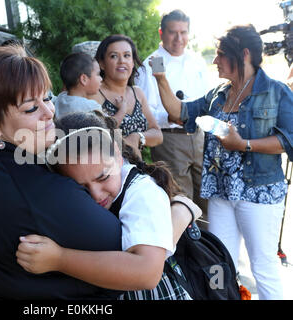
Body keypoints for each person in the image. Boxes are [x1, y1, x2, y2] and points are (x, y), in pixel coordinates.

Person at [0, 45, 200, 299]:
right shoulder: (37, 188)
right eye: (30, 108)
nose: (49, 113)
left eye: (47, 98)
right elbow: (141, 262)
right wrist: (180, 213)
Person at [152, 24, 293, 300]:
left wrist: (244, 145)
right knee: (219, 263)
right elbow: (181, 113)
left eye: (220, 55)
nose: (214, 60)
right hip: (220, 192)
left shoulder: (276, 92)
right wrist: (160, 78)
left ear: (243, 55)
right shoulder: (218, 92)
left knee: (262, 265)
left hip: (259, 194)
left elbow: (290, 139)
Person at [16, 111, 201, 300]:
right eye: (81, 188)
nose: (96, 194)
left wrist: (59, 259)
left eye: (103, 177)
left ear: (117, 155)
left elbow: (147, 272)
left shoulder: (142, 193)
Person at [135, 9, 210, 229]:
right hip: (170, 139)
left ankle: (209, 252)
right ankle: (186, 253)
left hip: (199, 136)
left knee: (207, 196)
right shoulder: (153, 64)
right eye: (172, 32)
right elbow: (143, 110)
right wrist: (168, 116)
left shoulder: (196, 61)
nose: (179, 39)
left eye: (183, 32)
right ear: (161, 33)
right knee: (181, 201)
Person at [90, 34, 163, 158]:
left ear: (133, 62)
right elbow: (93, 138)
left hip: (136, 167)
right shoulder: (94, 94)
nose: (122, 61)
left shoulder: (137, 93)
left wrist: (138, 137)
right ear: (102, 63)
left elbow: (158, 134)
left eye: (127, 55)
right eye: (114, 56)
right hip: (107, 168)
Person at [54, 52, 102, 118]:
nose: (101, 79)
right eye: (98, 74)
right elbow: (110, 125)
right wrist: (121, 109)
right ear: (84, 79)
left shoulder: (60, 98)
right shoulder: (91, 106)